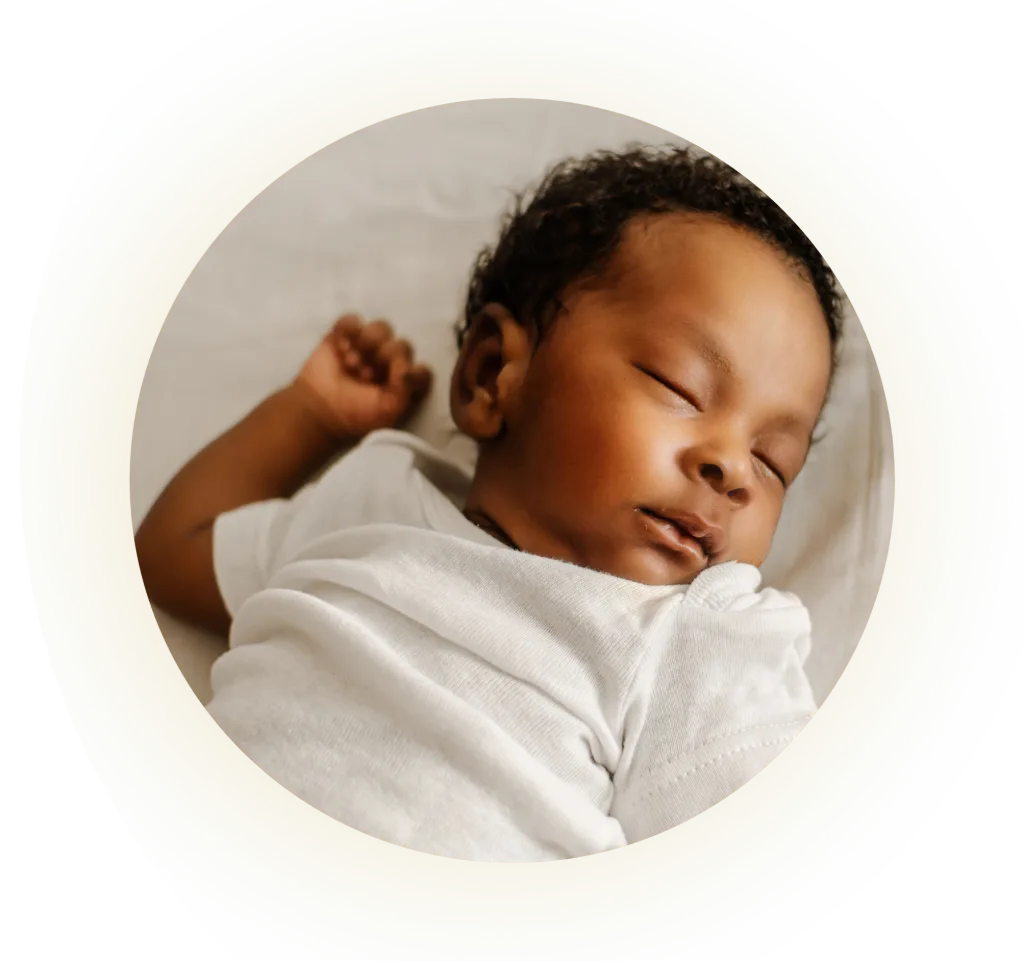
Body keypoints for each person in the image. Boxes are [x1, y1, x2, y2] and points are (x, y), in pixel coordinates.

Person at [135, 146, 843, 861]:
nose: (732, 468)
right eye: (679, 386)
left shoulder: (697, 637)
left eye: (773, 460)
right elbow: (169, 548)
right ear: (490, 375)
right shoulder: (373, 497)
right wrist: (310, 414)